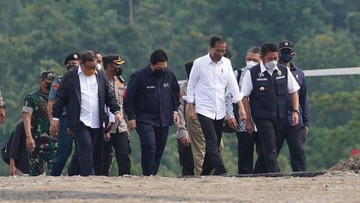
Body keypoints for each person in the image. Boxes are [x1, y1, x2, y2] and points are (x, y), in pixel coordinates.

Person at [50, 50, 122, 176]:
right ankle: (88, 176)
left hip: (97, 120)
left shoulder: (100, 76)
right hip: (79, 120)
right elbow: (60, 98)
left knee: (97, 152)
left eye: (94, 67)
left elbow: (109, 96)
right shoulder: (71, 76)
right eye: (89, 67)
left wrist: (116, 111)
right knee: (86, 146)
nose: (92, 70)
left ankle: (90, 176)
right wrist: (55, 118)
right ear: (81, 64)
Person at [185, 35, 246, 176]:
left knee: (215, 143)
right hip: (203, 108)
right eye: (218, 50)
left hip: (219, 109)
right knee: (212, 141)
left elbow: (233, 85)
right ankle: (221, 172)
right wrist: (190, 105)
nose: (221, 54)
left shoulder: (226, 63)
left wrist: (240, 106)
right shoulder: (199, 63)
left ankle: (205, 173)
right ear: (211, 48)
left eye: (223, 51)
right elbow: (191, 85)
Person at [241, 42, 300, 173]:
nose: (273, 61)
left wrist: (296, 111)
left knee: (271, 147)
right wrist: (248, 120)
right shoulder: (253, 73)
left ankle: (257, 174)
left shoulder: (283, 71)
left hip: (281, 116)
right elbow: (244, 96)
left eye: (275, 58)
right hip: (262, 116)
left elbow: (293, 91)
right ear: (262, 57)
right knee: (269, 146)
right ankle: (276, 174)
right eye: (270, 59)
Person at [124, 49, 180, 176]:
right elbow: (129, 98)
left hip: (164, 118)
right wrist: (131, 117)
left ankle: (153, 175)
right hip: (144, 118)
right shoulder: (139, 76)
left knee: (159, 150)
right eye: (159, 68)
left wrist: (175, 110)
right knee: (149, 145)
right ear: (151, 64)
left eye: (164, 67)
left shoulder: (169, 75)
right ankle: (147, 175)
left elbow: (176, 94)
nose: (162, 71)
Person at [225, 46, 261, 174]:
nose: (251, 62)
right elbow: (228, 96)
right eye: (249, 59)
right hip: (243, 122)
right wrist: (230, 116)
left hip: (262, 121)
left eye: (255, 60)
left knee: (264, 153)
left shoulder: (264, 74)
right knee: (245, 154)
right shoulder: (238, 74)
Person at [276, 40, 309, 172]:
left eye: (288, 52)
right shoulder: (273, 71)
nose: (285, 54)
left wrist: (305, 122)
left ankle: (302, 176)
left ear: (293, 54)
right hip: (277, 119)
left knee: (298, 151)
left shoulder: (299, 74)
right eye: (283, 52)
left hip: (295, 120)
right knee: (271, 152)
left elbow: (303, 98)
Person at [49, 52, 80, 176]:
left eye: (75, 64)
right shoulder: (59, 80)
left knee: (83, 149)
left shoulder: (85, 80)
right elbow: (51, 103)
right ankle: (54, 175)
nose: (72, 66)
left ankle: (79, 175)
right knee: (63, 150)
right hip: (64, 118)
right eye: (70, 64)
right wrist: (53, 122)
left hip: (81, 119)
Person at [101, 54, 131, 176]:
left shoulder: (120, 82)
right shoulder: (100, 82)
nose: (119, 68)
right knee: (104, 158)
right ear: (109, 67)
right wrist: (104, 129)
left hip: (120, 126)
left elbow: (122, 105)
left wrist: (126, 128)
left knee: (124, 154)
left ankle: (125, 178)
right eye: (117, 65)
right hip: (106, 126)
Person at [23, 70, 57, 176]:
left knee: (56, 175)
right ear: (41, 81)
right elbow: (26, 118)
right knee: (35, 176)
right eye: (48, 82)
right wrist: (29, 137)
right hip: (36, 144)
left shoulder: (58, 98)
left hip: (54, 143)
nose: (50, 85)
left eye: (52, 82)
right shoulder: (32, 98)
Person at [176, 61, 195, 176]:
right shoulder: (183, 88)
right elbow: (179, 111)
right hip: (187, 129)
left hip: (203, 130)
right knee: (187, 164)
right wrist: (183, 131)